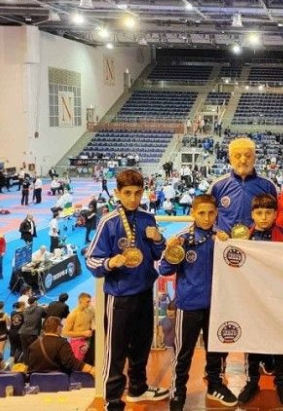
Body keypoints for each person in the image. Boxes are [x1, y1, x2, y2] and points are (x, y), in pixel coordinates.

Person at [85, 169, 169, 410]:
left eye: (138, 193)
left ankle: (137, 389)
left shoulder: (147, 218)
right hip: (119, 296)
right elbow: (91, 259)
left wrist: (158, 239)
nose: (133, 198)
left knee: (141, 345)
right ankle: (112, 401)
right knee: (116, 350)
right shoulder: (109, 222)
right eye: (128, 193)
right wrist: (109, 262)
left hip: (144, 292)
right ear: (117, 193)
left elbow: (157, 254)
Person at [159, 194, 238, 411]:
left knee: (216, 350)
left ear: (217, 213)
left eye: (211, 213)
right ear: (192, 213)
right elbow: (164, 269)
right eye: (201, 213)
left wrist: (229, 243)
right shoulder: (183, 239)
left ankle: (215, 386)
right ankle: (178, 393)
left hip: (216, 304)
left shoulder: (221, 238)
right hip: (189, 305)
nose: (206, 217)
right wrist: (170, 251)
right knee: (184, 352)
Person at [239, 193, 283, 406]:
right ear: (252, 214)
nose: (263, 217)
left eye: (268, 213)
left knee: (279, 340)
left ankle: (281, 382)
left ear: (275, 214)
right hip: (252, 297)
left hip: (277, 297)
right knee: (251, 340)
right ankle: (252, 381)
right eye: (259, 213)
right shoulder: (243, 237)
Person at [209, 137, 278, 234]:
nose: (243, 160)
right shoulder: (217, 186)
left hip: (258, 241)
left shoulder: (268, 186)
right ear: (230, 159)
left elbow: (277, 216)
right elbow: (207, 215)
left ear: (254, 158)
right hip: (226, 241)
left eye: (248, 156)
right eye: (237, 156)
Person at [27, 316, 95, 376]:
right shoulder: (62, 343)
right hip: (57, 381)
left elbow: (30, 367)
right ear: (58, 328)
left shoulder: (33, 345)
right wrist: (90, 369)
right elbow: (71, 363)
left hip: (36, 382)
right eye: (61, 326)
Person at [63, 292, 95, 361]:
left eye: (90, 301)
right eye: (87, 302)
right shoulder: (73, 315)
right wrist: (83, 333)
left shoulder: (90, 310)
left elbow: (94, 318)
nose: (89, 304)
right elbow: (65, 332)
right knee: (78, 363)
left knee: (90, 362)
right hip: (77, 342)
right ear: (80, 302)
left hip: (88, 340)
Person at [18, 296, 46, 363]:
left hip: (22, 332)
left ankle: (26, 365)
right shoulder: (40, 309)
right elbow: (45, 315)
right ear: (35, 302)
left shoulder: (25, 310)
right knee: (35, 350)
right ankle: (34, 365)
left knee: (25, 351)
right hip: (32, 333)